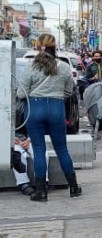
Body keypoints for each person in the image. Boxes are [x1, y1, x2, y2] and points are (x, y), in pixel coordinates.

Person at [16, 33, 81, 202]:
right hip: (56, 108)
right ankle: (73, 187)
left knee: (38, 150)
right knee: (62, 149)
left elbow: (21, 93)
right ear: (55, 45)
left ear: (38, 46)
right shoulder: (64, 67)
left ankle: (41, 192)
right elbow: (69, 91)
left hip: (35, 108)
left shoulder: (31, 66)